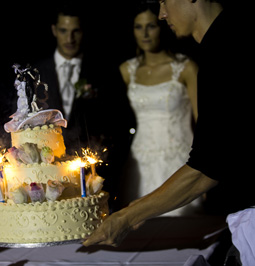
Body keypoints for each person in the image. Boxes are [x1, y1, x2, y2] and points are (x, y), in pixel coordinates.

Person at [83, 1, 254, 264]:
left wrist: (128, 216)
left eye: (164, 1)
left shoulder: (225, 51)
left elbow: (208, 166)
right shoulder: (219, 45)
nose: (162, 14)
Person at [33, 2, 136, 211]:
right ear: (54, 30)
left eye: (75, 31)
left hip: (94, 171)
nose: (69, 39)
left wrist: (108, 161)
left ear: (83, 31)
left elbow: (122, 118)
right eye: (63, 31)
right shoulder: (37, 73)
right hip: (50, 176)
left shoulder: (103, 69)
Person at [118, 1, 201, 216]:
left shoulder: (186, 68)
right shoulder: (127, 70)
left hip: (179, 159)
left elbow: (202, 119)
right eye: (139, 27)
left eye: (151, 26)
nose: (145, 33)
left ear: (161, 27)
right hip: (141, 161)